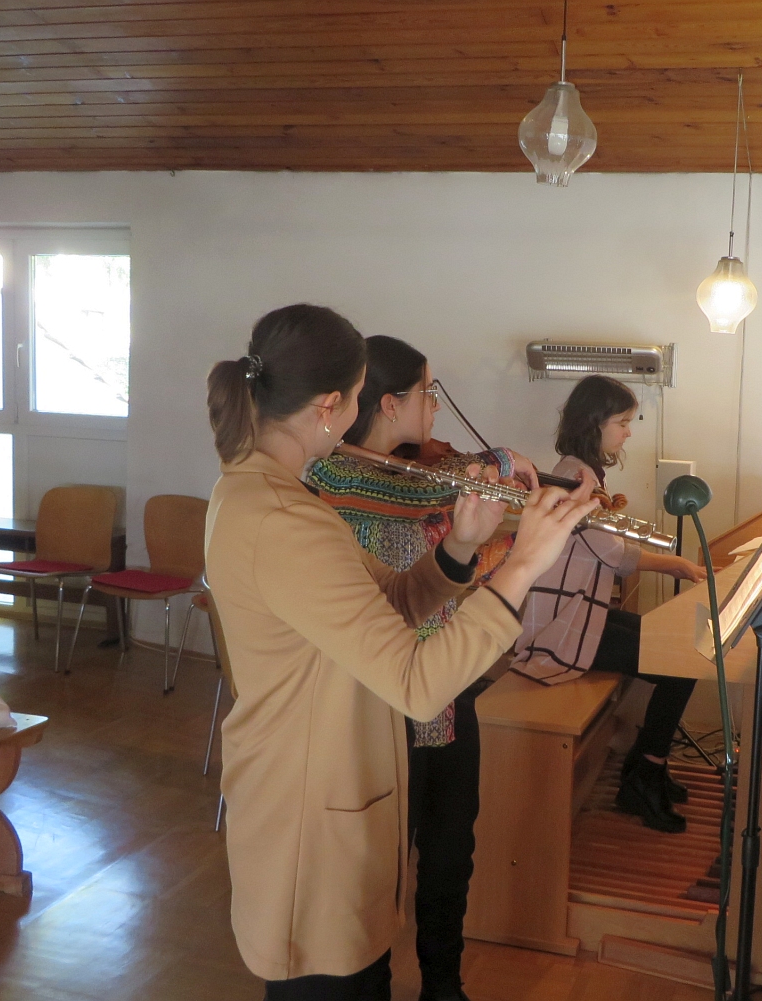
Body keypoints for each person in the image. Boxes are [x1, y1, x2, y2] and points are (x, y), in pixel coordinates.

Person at [203, 304, 598, 1001]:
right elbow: (417, 682)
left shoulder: (275, 495)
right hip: (309, 814)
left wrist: (461, 547)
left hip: (327, 788)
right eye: (359, 398)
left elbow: (385, 604)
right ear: (329, 406)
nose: (359, 415)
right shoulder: (284, 519)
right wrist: (522, 567)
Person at [305, 335, 533, 1001]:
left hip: (448, 688)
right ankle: (369, 978)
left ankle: (443, 983)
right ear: (387, 403)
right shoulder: (338, 479)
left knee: (450, 850)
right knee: (379, 862)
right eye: (427, 393)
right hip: (377, 702)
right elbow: (409, 500)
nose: (435, 407)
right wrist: (491, 464)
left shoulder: (417, 475)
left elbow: (447, 525)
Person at [512, 374, 707, 834]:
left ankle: (645, 765)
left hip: (581, 613)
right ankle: (644, 774)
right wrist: (677, 564)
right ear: (595, 423)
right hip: (560, 627)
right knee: (680, 666)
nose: (628, 432)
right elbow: (615, 556)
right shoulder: (573, 477)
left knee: (677, 649)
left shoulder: (584, 471)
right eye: (622, 422)